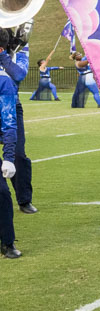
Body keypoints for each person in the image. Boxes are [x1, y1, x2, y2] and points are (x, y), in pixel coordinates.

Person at [0, 31, 35, 215]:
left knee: (18, 155)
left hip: (12, 106)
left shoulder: (21, 48)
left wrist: (3, 55)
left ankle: (24, 199)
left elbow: (19, 74)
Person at [0, 59, 21, 258]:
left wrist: (8, 157)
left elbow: (8, 121)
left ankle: (7, 242)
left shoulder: (3, 80)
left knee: (2, 193)